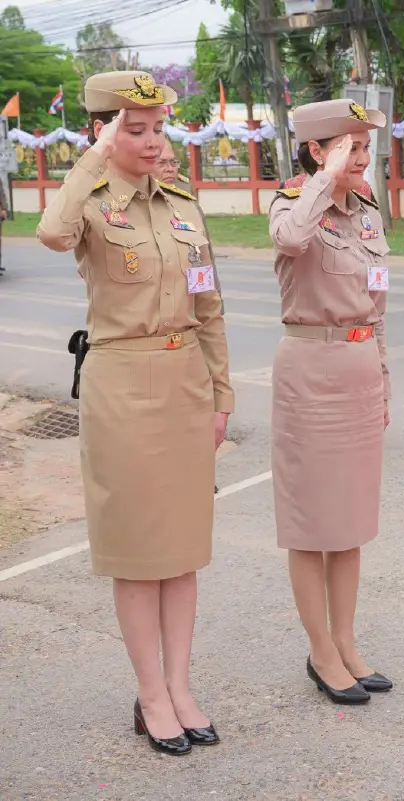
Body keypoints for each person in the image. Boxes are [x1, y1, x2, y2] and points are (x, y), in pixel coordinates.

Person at [35, 71, 234, 755]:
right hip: (122, 387)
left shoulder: (182, 202)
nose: (153, 142)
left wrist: (221, 394)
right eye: (135, 129)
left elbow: (208, 306)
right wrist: (95, 156)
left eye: (158, 128)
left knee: (180, 553)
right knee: (138, 552)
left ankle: (180, 686)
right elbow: (50, 233)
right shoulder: (89, 202)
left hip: (184, 386)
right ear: (104, 129)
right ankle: (150, 694)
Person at [268, 98, 392, 704]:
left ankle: (345, 640)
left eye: (365, 147)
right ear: (317, 150)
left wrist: (384, 378)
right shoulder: (293, 204)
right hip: (311, 372)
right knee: (311, 521)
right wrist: (324, 179)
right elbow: (291, 239)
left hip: (360, 371)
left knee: (349, 521)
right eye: (350, 147)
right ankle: (319, 649)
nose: (362, 159)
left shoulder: (367, 213)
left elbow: (379, 301)